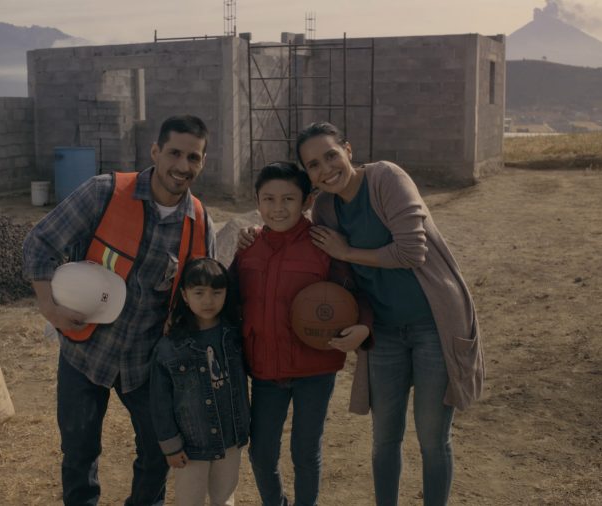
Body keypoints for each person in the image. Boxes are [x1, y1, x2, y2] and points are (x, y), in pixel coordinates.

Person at [22, 115, 216, 506]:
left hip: (148, 365)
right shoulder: (104, 193)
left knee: (158, 453)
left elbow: (200, 300)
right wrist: (50, 308)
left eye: (193, 157)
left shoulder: (199, 224)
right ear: (155, 151)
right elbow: (39, 243)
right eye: (175, 153)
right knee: (79, 452)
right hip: (85, 352)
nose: (182, 166)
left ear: (203, 163)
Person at [296, 121, 485, 506]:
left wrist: (347, 251)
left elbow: (411, 252)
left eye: (331, 155)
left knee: (433, 437)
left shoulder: (385, 178)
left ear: (348, 150)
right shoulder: (327, 209)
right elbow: (330, 268)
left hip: (433, 323)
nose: (326, 168)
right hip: (382, 332)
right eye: (313, 165)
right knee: (385, 439)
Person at [231, 161, 369, 506]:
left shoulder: (324, 244)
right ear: (257, 201)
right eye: (269, 199)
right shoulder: (247, 247)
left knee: (305, 452)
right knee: (262, 452)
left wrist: (364, 325)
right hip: (264, 369)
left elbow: (356, 292)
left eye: (289, 199)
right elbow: (228, 297)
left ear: (307, 201)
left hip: (315, 370)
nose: (278, 209)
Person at [149, 257, 250, 506]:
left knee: (225, 498)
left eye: (217, 292)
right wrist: (170, 445)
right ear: (184, 295)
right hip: (191, 445)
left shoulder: (235, 334)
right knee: (189, 500)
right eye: (199, 292)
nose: (208, 300)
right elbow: (159, 400)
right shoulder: (170, 346)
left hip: (231, 437)